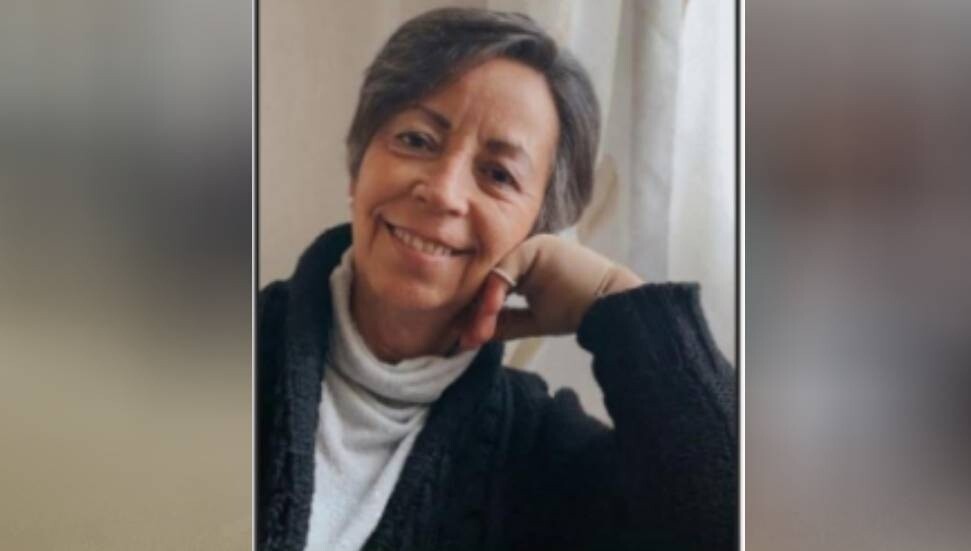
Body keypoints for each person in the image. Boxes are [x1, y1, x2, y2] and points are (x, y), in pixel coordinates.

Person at [258, 7, 736, 551]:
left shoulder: (538, 456)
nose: (443, 191)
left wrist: (617, 301)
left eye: (498, 174)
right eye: (416, 140)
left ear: (538, 232)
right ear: (358, 165)